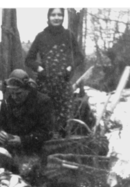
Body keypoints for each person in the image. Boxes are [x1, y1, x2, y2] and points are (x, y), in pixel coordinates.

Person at [26, 8, 84, 137]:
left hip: (63, 83)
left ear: (63, 17)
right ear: (48, 17)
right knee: (44, 116)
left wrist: (70, 67)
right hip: (45, 84)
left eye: (59, 15)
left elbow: (80, 56)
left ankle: (61, 146)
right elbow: (29, 59)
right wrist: (39, 68)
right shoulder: (41, 36)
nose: (56, 17)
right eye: (53, 15)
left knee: (63, 119)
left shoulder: (69, 35)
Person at [0, 69, 54, 181]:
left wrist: (23, 140)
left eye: (18, 93)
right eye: (11, 93)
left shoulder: (43, 102)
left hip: (35, 150)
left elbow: (47, 132)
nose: (14, 97)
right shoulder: (7, 103)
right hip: (11, 148)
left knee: (26, 175)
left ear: (28, 89)